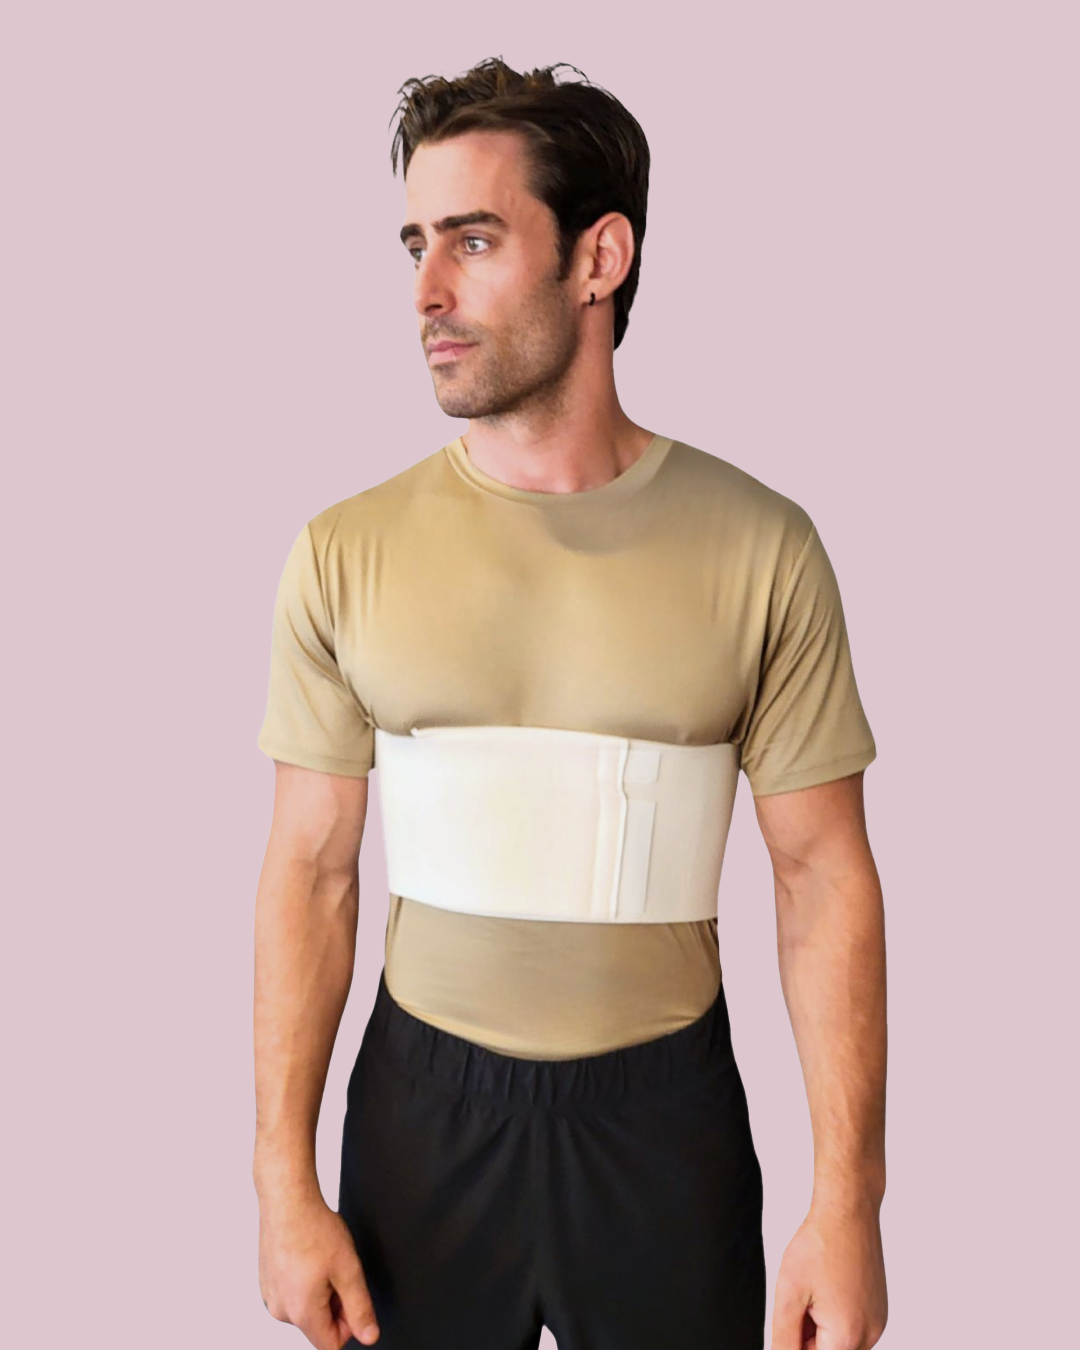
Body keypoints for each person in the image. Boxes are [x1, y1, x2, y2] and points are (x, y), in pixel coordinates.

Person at [252, 56, 888, 1350]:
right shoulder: (344, 551)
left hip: (663, 1125)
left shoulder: (759, 547)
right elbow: (310, 872)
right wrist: (282, 1183)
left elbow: (823, 877)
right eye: (416, 244)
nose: (427, 292)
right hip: (420, 1117)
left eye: (474, 241)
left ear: (600, 258)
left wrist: (848, 1203)